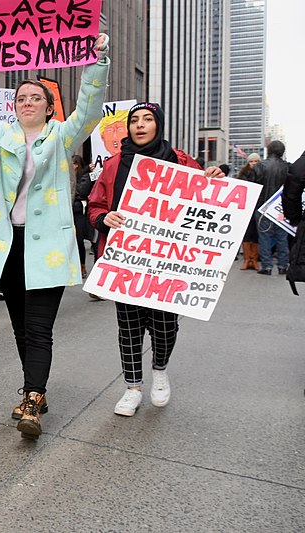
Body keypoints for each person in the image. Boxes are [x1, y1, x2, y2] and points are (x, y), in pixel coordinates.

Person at [0, 35, 110, 439]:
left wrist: (99, 60)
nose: (27, 102)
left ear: (48, 105)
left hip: (49, 249)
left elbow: (89, 110)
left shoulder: (61, 136)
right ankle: (33, 390)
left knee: (39, 329)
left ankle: (33, 397)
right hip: (8, 248)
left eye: (35, 97)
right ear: (14, 105)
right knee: (21, 328)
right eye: (21, 97)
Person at [87, 102, 224, 417]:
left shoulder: (179, 160)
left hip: (167, 261)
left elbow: (204, 195)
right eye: (134, 120)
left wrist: (213, 178)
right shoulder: (114, 164)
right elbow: (95, 204)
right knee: (129, 326)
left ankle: (160, 370)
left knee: (165, 325)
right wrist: (103, 218)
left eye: (147, 119)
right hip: (126, 258)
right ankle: (133, 387)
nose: (139, 125)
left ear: (158, 125)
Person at [253, 140, 291, 275]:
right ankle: (283, 265)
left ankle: (267, 266)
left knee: (264, 237)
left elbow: (254, 186)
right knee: (282, 237)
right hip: (281, 208)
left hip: (263, 206)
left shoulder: (260, 166)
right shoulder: (288, 167)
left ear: (268, 150)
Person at [72, 154, 95, 278]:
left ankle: (82, 266)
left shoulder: (85, 176)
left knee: (79, 239)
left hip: (79, 211)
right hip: (70, 210)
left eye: (75, 164)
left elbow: (81, 191)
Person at [237, 153, 261, 270]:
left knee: (256, 233)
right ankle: (247, 259)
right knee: (246, 233)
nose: (254, 163)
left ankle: (254, 259)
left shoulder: (263, 173)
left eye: (256, 161)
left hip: (258, 206)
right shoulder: (243, 173)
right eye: (252, 161)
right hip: (246, 207)